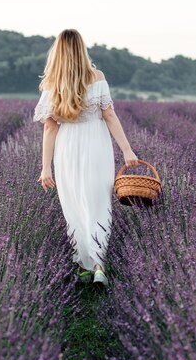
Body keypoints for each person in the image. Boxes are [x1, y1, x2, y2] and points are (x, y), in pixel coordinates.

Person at [32, 29, 139, 287]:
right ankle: (98, 265)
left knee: (74, 206)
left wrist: (46, 167)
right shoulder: (97, 77)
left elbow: (50, 127)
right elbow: (110, 116)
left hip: (67, 148)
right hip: (96, 146)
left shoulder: (52, 83)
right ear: (82, 48)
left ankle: (82, 265)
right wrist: (127, 149)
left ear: (57, 51)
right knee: (98, 203)